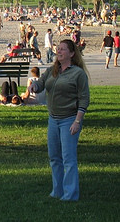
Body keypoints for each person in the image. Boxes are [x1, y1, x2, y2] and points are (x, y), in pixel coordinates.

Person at [29, 39, 90, 201]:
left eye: (63, 49)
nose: (59, 52)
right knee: (54, 157)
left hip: (69, 119)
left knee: (68, 158)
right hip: (53, 120)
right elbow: (41, 84)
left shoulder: (78, 73)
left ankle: (70, 195)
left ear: (71, 53)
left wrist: (77, 121)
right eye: (58, 49)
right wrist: (34, 87)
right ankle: (57, 191)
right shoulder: (52, 70)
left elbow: (84, 99)